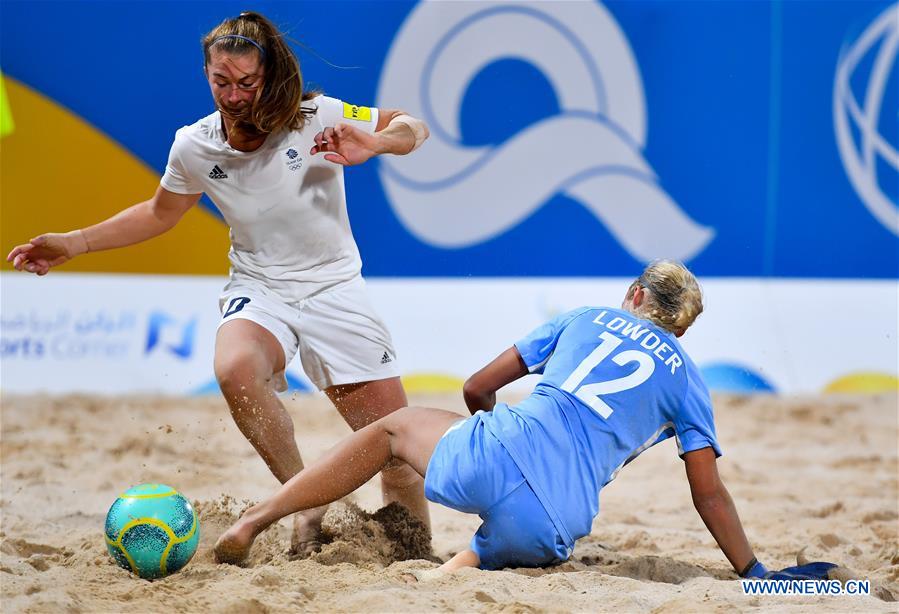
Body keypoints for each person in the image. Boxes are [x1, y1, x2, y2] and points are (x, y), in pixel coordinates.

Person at [6, 11, 431, 554]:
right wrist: (75, 242)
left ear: (269, 74)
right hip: (260, 288)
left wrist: (377, 144)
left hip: (334, 290)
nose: (233, 96)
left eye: (247, 84)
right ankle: (306, 500)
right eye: (221, 82)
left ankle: (416, 552)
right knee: (235, 370)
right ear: (206, 74)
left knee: (398, 455)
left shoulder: (314, 114)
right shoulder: (194, 145)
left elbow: (413, 127)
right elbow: (161, 212)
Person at [212, 260, 837, 581]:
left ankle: (256, 522)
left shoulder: (586, 316)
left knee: (392, 429)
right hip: (560, 521)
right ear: (681, 328)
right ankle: (467, 563)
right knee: (484, 556)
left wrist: (484, 437)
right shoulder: (691, 381)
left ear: (637, 295)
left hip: (497, 451)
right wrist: (753, 573)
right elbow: (708, 493)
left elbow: (477, 386)